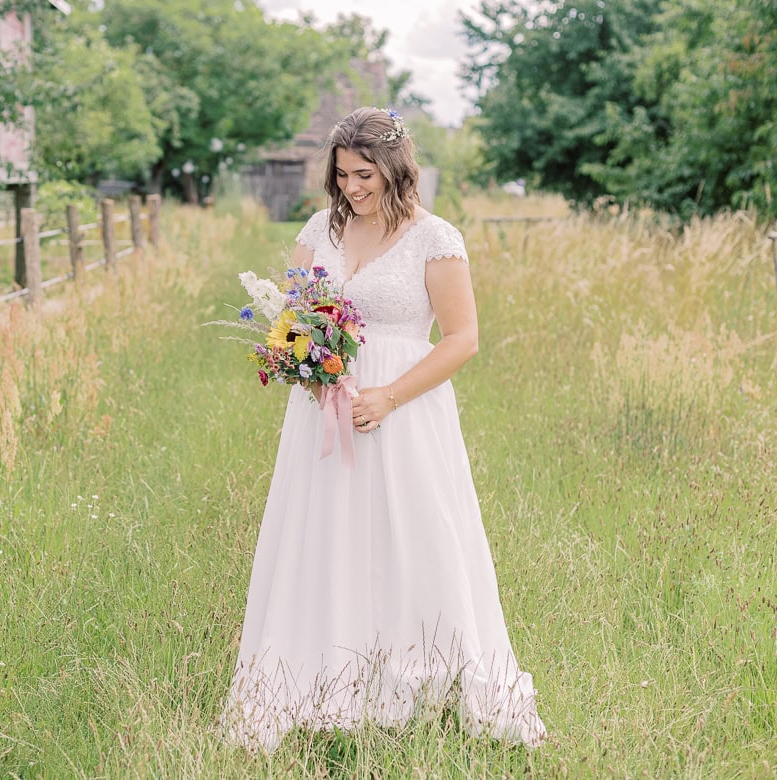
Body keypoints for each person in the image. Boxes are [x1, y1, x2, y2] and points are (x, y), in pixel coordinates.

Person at [220, 107, 547, 752]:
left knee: (415, 534)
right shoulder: (319, 230)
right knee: (325, 533)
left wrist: (389, 396)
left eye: (364, 175)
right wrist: (307, 364)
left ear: (397, 170)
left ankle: (422, 675)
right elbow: (295, 315)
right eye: (342, 175)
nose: (352, 188)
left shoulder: (436, 239)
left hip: (406, 408)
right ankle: (321, 673)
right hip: (325, 408)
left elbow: (463, 339)